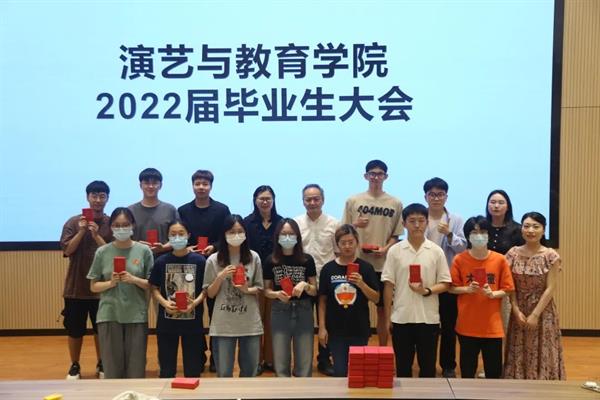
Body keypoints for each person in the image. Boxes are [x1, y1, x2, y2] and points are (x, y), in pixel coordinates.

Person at [382, 203, 451, 378]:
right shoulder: (395, 251)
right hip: (401, 318)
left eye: (421, 220)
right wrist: (388, 317)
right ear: (404, 224)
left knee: (427, 368)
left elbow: (445, 283)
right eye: (412, 221)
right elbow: (388, 285)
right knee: (403, 367)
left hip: (428, 319)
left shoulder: (436, 251)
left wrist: (425, 290)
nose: (417, 225)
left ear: (427, 222)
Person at [87, 207, 154, 379]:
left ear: (133, 225)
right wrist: (111, 283)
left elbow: (152, 285)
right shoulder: (102, 251)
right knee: (112, 370)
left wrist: (134, 279)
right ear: (111, 227)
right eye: (117, 225)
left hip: (136, 315)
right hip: (109, 314)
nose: (121, 228)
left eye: (125, 224)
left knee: (136, 369)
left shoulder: (144, 251)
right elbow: (93, 286)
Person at [342, 160, 403, 346]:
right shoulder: (353, 201)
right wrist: (355, 224)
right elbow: (344, 231)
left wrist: (385, 249)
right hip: (357, 262)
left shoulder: (395, 203)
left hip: (383, 264)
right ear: (366, 176)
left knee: (383, 311)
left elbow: (396, 234)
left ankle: (383, 350)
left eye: (380, 174)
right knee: (353, 306)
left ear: (386, 176)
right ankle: (355, 349)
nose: (376, 177)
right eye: (372, 173)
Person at [177, 169, 231, 372]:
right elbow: (179, 234)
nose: (201, 187)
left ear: (211, 186)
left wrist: (214, 247)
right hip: (190, 267)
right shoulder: (183, 210)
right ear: (192, 186)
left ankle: (216, 356)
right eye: (197, 183)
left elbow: (227, 235)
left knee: (217, 311)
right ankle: (198, 355)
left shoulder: (222, 209)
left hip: (216, 265)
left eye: (205, 184)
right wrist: (187, 247)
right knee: (195, 312)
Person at [449, 216, 514, 379]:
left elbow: (508, 289)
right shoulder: (459, 259)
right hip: (467, 325)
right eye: (474, 232)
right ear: (467, 236)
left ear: (489, 234)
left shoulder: (500, 259)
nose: (479, 236)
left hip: (492, 326)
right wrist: (467, 289)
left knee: (494, 373)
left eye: (483, 232)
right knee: (467, 372)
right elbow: (451, 288)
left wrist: (493, 294)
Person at [60, 180, 112, 379]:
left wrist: (96, 235)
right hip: (76, 288)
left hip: (102, 288)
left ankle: (102, 362)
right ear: (87, 197)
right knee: (75, 330)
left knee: (101, 330)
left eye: (102, 196)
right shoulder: (73, 222)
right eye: (94, 196)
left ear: (107, 198)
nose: (98, 200)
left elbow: (111, 253)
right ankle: (75, 364)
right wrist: (82, 231)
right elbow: (67, 250)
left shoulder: (111, 222)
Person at [503, 212, 565, 380]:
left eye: (536, 227)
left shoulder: (551, 255)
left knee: (543, 345)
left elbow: (551, 287)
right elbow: (510, 286)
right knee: (518, 344)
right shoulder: (512, 254)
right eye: (527, 226)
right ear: (521, 229)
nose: (530, 230)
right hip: (519, 308)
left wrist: (535, 315)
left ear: (543, 230)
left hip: (543, 310)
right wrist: (516, 310)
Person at [203, 214, 263, 377]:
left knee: (250, 373)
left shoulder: (253, 257)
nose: (236, 235)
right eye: (231, 232)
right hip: (223, 324)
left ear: (245, 234)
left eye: (240, 231)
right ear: (224, 234)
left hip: (249, 323)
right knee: (224, 374)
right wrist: (221, 276)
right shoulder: (213, 260)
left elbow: (259, 288)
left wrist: (246, 289)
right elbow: (210, 293)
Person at [318, 224, 379, 377]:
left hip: (359, 329)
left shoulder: (366, 268)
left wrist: (361, 284)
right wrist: (322, 328)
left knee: (358, 373)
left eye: (350, 242)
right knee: (340, 372)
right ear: (337, 244)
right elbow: (322, 301)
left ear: (357, 242)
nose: (347, 246)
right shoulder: (328, 269)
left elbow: (376, 298)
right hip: (335, 330)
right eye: (343, 242)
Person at [149, 220, 207, 378]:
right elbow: (154, 288)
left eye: (181, 234)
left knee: (193, 369)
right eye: (173, 234)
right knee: (167, 370)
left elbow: (205, 289)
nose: (177, 237)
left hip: (193, 321)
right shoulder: (161, 261)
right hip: (167, 322)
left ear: (188, 235)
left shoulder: (199, 261)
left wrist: (194, 303)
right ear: (168, 237)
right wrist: (164, 303)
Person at [423, 177, 467, 378]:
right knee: (428, 326)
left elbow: (463, 248)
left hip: (447, 281)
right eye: (432, 194)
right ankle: (427, 365)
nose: (436, 198)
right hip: (425, 281)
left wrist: (449, 234)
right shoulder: (419, 217)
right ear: (426, 196)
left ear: (446, 197)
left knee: (449, 326)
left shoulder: (455, 219)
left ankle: (448, 365)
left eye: (440, 194)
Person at [263, 218, 317, 377]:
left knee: (304, 362)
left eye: (291, 234)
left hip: (304, 310)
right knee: (280, 362)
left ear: (297, 236)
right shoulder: (271, 260)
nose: (287, 237)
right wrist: (276, 294)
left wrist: (305, 285)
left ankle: (303, 389)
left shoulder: (307, 259)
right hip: (280, 310)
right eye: (283, 234)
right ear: (277, 237)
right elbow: (266, 290)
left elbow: (314, 290)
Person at [294, 183, 338, 376]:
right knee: (302, 323)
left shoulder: (334, 224)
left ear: (323, 200)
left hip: (327, 280)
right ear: (303, 201)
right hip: (303, 282)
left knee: (326, 322)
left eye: (316, 199)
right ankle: (301, 361)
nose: (312, 202)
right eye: (308, 199)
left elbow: (338, 253)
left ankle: (324, 359)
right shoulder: (295, 224)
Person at [244, 185, 283, 373]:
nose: (265, 202)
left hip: (276, 279)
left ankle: (271, 360)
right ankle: (256, 361)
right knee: (256, 320)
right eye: (261, 198)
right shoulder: (247, 223)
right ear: (255, 200)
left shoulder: (281, 222)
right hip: (254, 278)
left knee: (273, 321)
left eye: (268, 198)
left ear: (273, 200)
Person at [129, 168, 179, 256]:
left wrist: (163, 247)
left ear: (160, 185)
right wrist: (136, 245)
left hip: (164, 258)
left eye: (155, 183)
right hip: (136, 258)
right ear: (140, 185)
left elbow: (179, 237)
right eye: (146, 183)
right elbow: (124, 239)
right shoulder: (130, 211)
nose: (151, 186)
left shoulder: (170, 209)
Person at [485, 190, 524, 255]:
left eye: (501, 203)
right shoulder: (481, 227)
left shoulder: (518, 229)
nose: (496, 206)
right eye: (493, 202)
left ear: (508, 207)